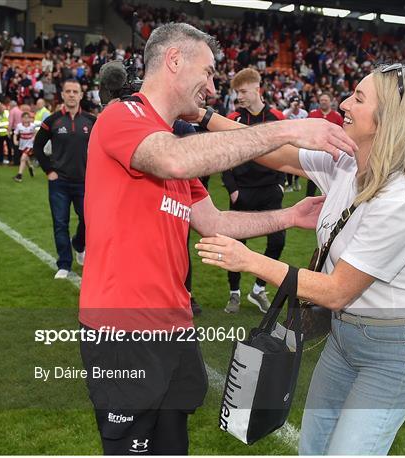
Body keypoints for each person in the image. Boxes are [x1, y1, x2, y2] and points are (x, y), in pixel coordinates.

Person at [79, 22, 354, 456]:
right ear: (174, 61)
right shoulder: (124, 117)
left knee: (173, 445)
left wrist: (291, 215)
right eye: (207, 72)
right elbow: (170, 160)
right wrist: (286, 129)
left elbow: (215, 222)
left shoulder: (173, 142)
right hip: (123, 333)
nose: (211, 85)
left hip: (174, 327)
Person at [196, 64, 405, 455]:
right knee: (312, 448)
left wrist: (249, 260)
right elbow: (276, 153)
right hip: (344, 338)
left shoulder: (402, 197)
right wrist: (203, 116)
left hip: (395, 350)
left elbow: (336, 291)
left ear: (388, 119)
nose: (344, 103)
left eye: (359, 99)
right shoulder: (350, 161)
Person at [221, 68, 288, 314]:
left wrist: (280, 183)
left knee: (278, 241)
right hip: (242, 191)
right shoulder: (233, 118)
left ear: (257, 89)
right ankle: (234, 294)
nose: (239, 96)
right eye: (237, 92)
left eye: (243, 91)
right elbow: (224, 155)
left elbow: (285, 150)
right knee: (235, 244)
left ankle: (258, 289)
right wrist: (232, 188)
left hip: (270, 190)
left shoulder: (276, 116)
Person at [33, 79, 96, 279]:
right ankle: (64, 264)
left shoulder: (91, 120)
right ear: (62, 95)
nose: (71, 94)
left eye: (74, 91)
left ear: (80, 95)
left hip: (84, 182)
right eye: (67, 91)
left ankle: (78, 243)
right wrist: (48, 170)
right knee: (60, 223)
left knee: (88, 220)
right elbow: (38, 148)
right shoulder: (51, 121)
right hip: (59, 182)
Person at [306, 92, 344, 196]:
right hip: (315, 150)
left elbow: (342, 132)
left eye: (326, 100)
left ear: (331, 102)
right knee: (313, 176)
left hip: (331, 151)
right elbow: (306, 130)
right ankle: (309, 198)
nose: (323, 102)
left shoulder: (337, 116)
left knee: (331, 176)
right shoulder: (313, 114)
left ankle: (331, 198)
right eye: (321, 100)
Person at [283, 95, 308, 192]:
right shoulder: (286, 112)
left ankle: (296, 181)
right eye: (294, 102)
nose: (296, 105)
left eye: (297, 103)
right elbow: (282, 119)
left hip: (300, 139)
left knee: (298, 161)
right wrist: (291, 109)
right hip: (288, 139)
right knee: (289, 161)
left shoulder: (304, 113)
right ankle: (289, 184)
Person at [12, 111, 36, 182]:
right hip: (22, 144)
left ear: (29, 119)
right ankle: (30, 167)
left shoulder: (32, 126)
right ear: (21, 119)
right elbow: (15, 134)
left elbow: (35, 133)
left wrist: (33, 139)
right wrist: (15, 141)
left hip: (30, 145)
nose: (26, 119)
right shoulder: (19, 126)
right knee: (26, 158)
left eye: (27, 118)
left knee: (23, 158)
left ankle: (19, 175)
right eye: (24, 118)